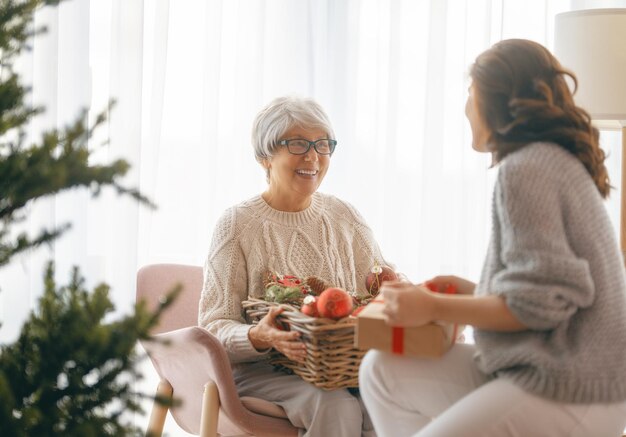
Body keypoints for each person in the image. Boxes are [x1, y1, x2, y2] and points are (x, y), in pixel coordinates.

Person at [359, 39, 626, 436]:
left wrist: (433, 306)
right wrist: (467, 291)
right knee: (380, 369)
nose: (466, 108)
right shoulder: (549, 160)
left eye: (470, 93)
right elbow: (544, 289)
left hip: (574, 385)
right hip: (563, 368)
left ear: (498, 100)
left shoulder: (525, 169)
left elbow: (538, 306)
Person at [199, 95, 388, 436]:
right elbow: (212, 326)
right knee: (336, 406)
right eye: (298, 143)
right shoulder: (237, 224)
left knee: (387, 397)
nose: (313, 156)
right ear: (264, 157)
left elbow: (381, 285)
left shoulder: (346, 216)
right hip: (263, 371)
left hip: (338, 367)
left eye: (322, 144)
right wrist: (257, 335)